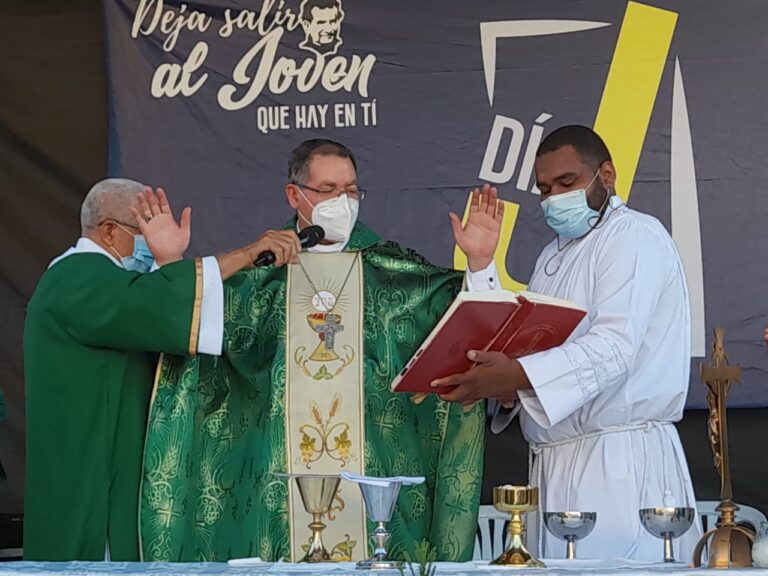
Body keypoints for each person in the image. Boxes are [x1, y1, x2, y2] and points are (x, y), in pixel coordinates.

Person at [139, 139, 503, 563]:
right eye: (328, 189)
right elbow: (190, 333)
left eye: (351, 190)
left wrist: (479, 266)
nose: (342, 201)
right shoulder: (258, 275)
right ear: (295, 195)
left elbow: (461, 328)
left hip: (374, 485)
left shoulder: (392, 273)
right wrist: (170, 266)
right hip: (276, 497)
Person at [433, 125, 703, 560]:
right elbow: (526, 344)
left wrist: (518, 374)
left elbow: (614, 347)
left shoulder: (634, 236)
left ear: (607, 175)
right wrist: (481, 265)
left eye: (567, 183)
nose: (554, 197)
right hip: (552, 465)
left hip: (620, 463)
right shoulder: (552, 256)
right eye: (543, 189)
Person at [23, 178, 301, 561]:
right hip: (92, 480)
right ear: (108, 230)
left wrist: (170, 261)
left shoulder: (112, 282)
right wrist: (247, 254)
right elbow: (156, 302)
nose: (148, 244)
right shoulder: (76, 276)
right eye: (143, 231)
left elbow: (158, 305)